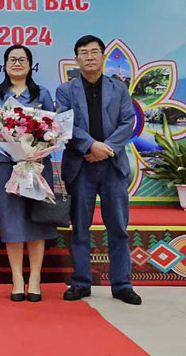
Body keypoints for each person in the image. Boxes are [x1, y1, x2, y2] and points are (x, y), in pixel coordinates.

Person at [56, 35, 141, 305]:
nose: (90, 57)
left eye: (94, 52)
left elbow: (128, 122)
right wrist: (92, 145)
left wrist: (107, 148)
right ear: (76, 59)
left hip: (113, 166)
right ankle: (81, 282)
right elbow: (64, 124)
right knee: (80, 227)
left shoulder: (119, 88)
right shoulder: (65, 90)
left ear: (103, 56)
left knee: (118, 227)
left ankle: (122, 284)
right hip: (81, 165)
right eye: (84, 52)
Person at [0, 45, 57, 302]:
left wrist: (37, 146)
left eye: (22, 59)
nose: (17, 63)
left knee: (36, 219)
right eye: (12, 59)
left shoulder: (41, 93)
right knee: (12, 220)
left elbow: (53, 126)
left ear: (30, 65)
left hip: (36, 164)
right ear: (5, 64)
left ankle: (35, 279)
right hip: (6, 163)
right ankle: (17, 279)